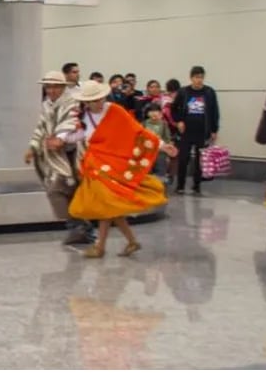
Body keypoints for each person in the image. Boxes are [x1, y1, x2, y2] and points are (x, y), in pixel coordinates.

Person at [62, 80, 167, 259]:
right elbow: (78, 135)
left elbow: (137, 131)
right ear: (85, 101)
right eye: (92, 100)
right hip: (96, 165)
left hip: (114, 165)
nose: (97, 102)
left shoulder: (115, 111)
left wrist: (162, 145)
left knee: (108, 205)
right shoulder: (83, 117)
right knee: (109, 206)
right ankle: (129, 242)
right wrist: (61, 138)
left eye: (99, 98)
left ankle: (101, 247)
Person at [26, 71, 92, 246]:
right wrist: (33, 146)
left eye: (55, 86)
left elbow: (70, 123)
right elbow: (41, 127)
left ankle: (81, 227)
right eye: (48, 86)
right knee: (63, 191)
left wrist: (59, 138)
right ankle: (80, 227)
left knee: (58, 190)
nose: (51, 90)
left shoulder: (72, 104)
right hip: (57, 155)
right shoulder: (47, 105)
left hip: (74, 154)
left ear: (63, 87)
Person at [171, 66, 220, 195]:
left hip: (202, 131)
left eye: (201, 77)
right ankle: (180, 185)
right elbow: (174, 108)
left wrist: (214, 130)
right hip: (186, 131)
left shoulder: (209, 92)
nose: (199, 80)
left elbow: (215, 111)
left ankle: (196, 185)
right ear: (191, 78)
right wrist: (178, 121)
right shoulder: (183, 92)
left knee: (200, 160)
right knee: (183, 158)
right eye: (196, 77)